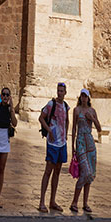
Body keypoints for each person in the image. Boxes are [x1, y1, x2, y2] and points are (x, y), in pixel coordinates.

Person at [38, 81, 69, 212]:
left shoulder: (66, 106)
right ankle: (42, 202)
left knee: (57, 172)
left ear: (65, 92)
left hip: (62, 142)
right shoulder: (51, 104)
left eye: (62, 91)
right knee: (48, 171)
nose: (60, 93)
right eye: (58, 90)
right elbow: (41, 118)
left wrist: (66, 134)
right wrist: (49, 130)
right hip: (52, 143)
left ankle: (52, 201)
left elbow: (67, 121)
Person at [70, 87, 101, 214]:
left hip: (90, 143)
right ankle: (74, 201)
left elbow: (99, 128)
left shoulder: (92, 111)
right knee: (85, 172)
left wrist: (92, 119)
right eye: (82, 96)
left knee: (90, 175)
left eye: (85, 96)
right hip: (81, 142)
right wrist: (72, 146)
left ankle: (85, 203)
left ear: (88, 98)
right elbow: (73, 129)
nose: (83, 98)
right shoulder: (76, 110)